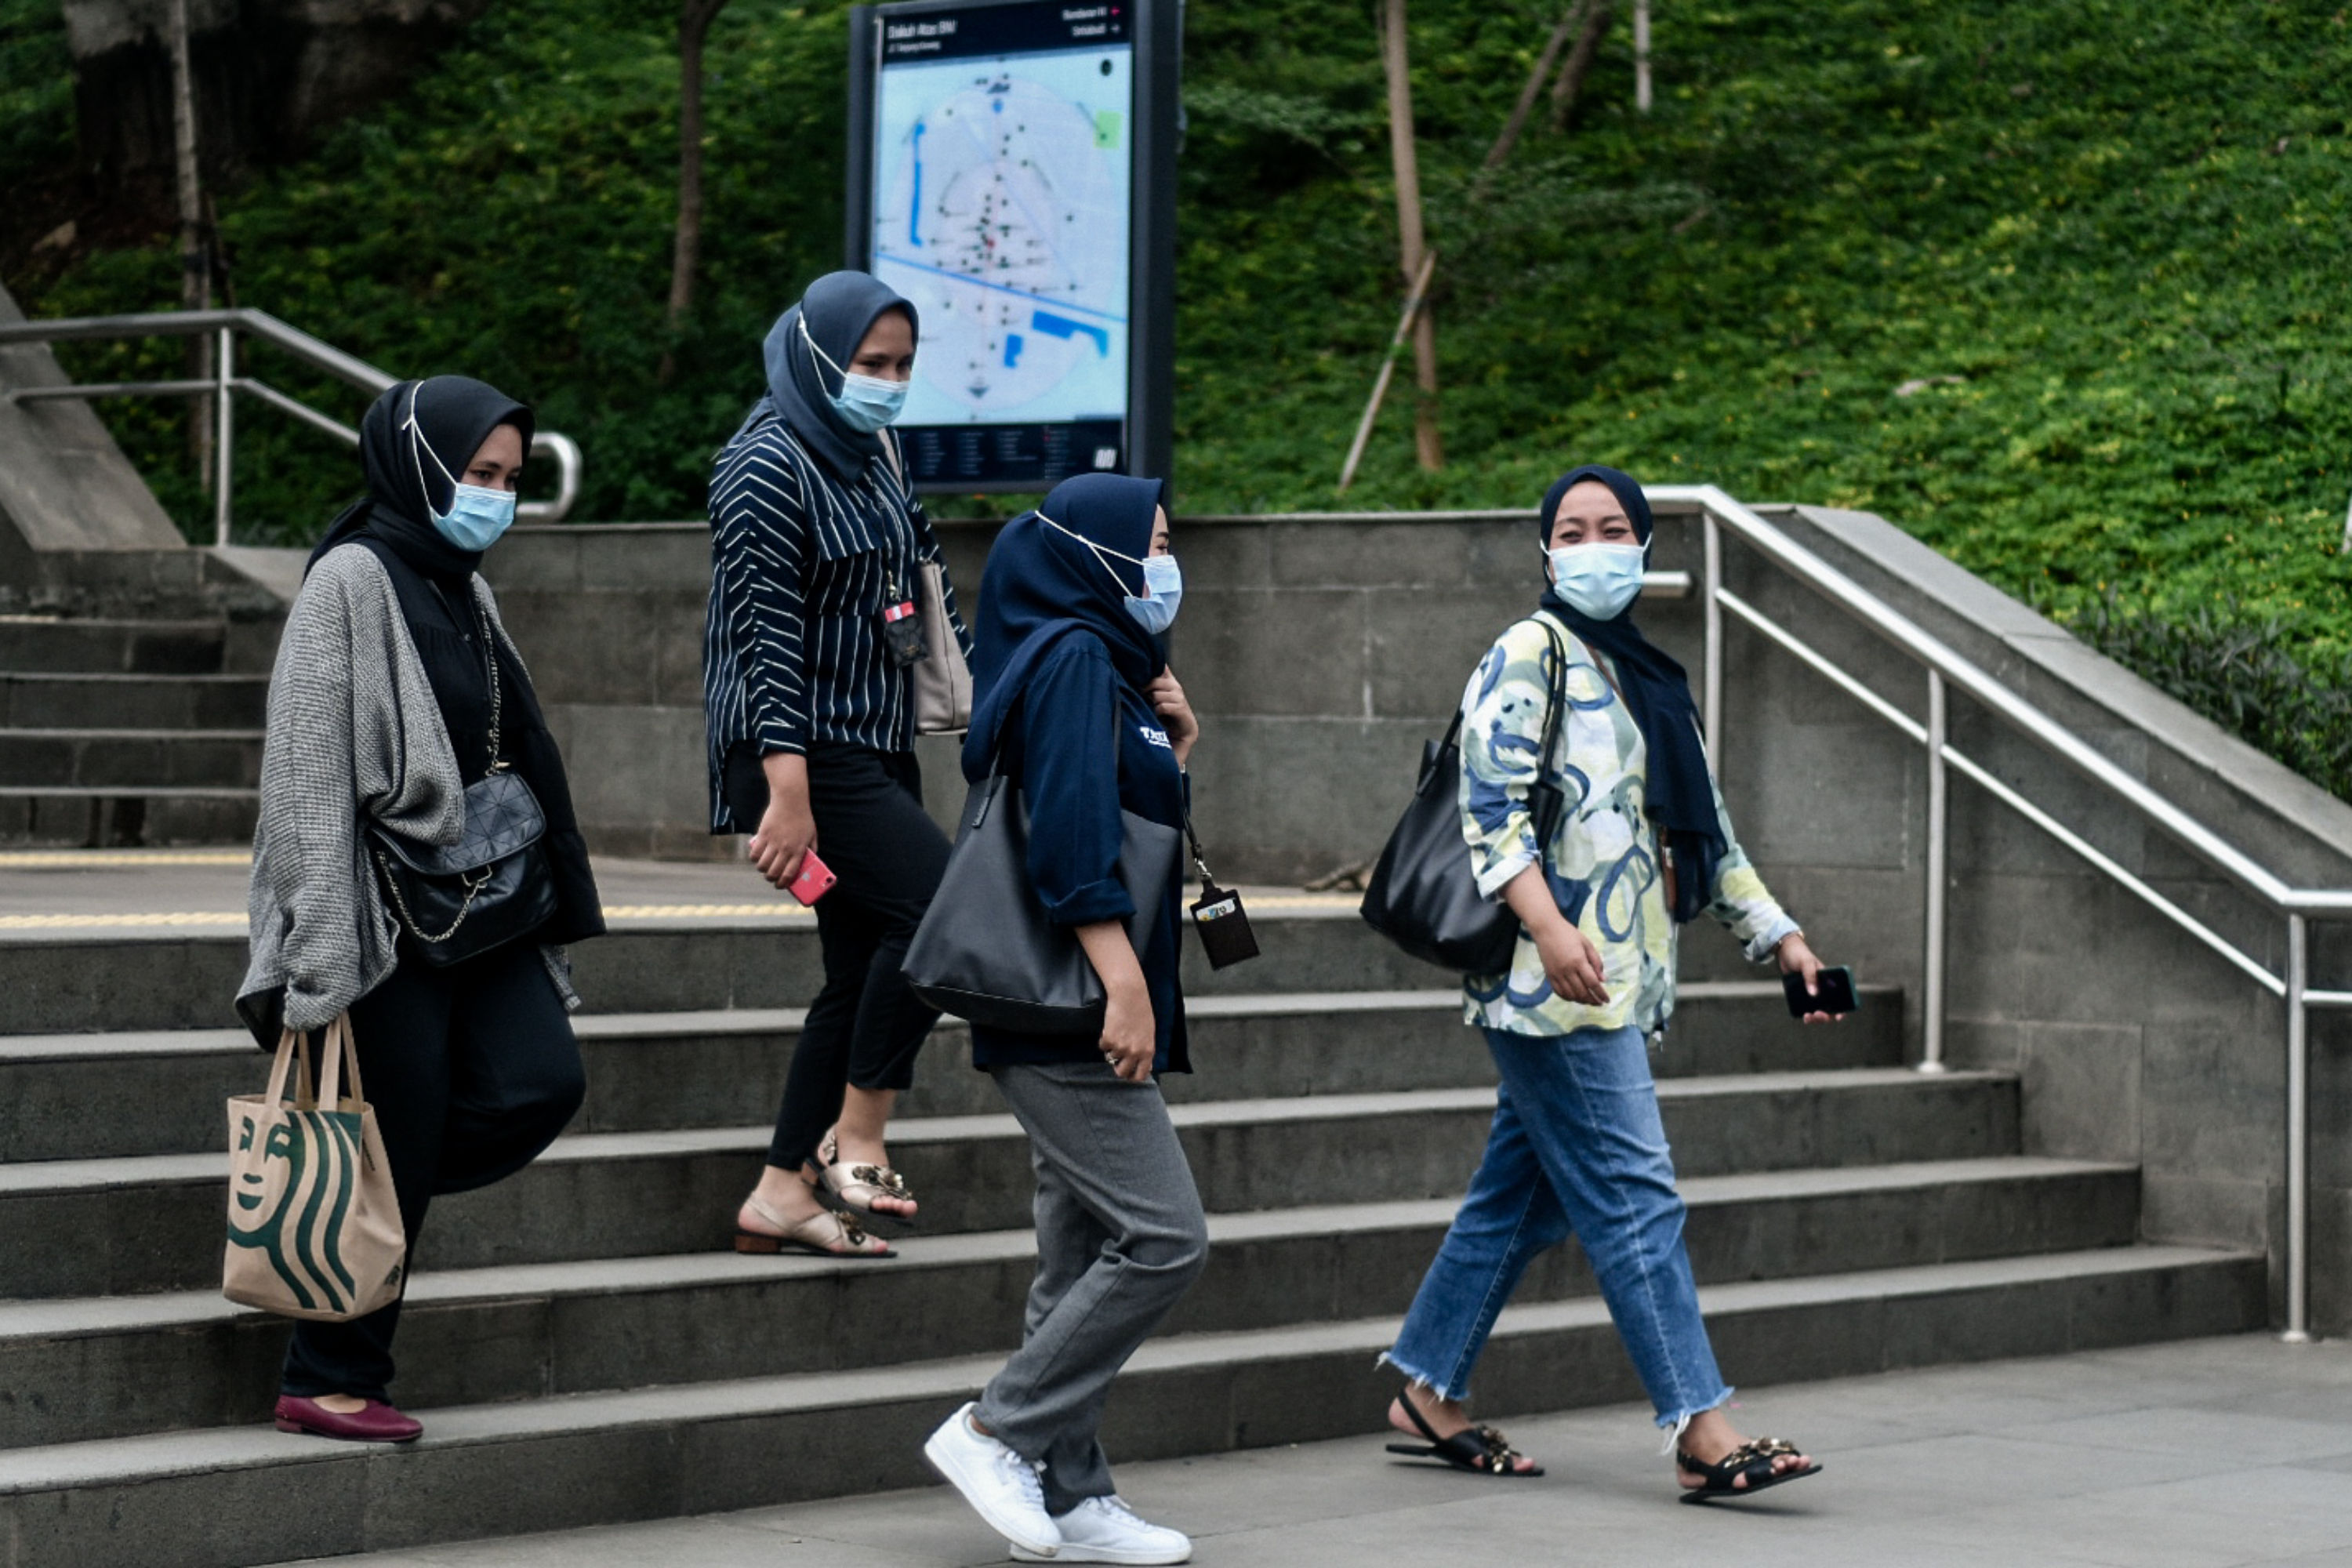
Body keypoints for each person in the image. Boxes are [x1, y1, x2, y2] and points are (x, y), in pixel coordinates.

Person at [1379, 464, 1835, 1501]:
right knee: (1636, 1198)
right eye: (1573, 530)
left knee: (1519, 1204)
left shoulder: (1651, 679)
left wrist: (1785, 939)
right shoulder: (1524, 654)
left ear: (1644, 547)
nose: (1594, 544)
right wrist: (1549, 928)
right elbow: (1485, 813)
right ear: (1546, 552)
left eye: (1615, 527)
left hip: (1624, 978)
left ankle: (1423, 1386)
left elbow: (1706, 837)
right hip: (1555, 986)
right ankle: (1702, 1427)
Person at [235, 376, 605, 1443]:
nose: (495, 495)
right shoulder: (350, 579)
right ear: (418, 462)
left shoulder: (465, 586)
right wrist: (314, 945)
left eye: (509, 479)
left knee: (538, 1084)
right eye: (478, 473)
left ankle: (362, 1206)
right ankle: (328, 1372)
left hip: (476, 899)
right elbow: (305, 774)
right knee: (389, 1120)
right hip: (376, 911)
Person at [920, 474, 1206, 1566]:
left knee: (1077, 1251)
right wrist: (1122, 983)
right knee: (1167, 1240)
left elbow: (1124, 812)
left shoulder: (1105, 665)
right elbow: (1071, 841)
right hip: (1071, 1006)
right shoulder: (1078, 659)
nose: (1166, 564)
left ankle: (1075, 1492)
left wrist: (1179, 750)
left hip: (1075, 1002)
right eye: (1154, 543)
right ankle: (996, 1428)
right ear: (1092, 554)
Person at [703, 270, 971, 1258]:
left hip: (874, 740)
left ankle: (779, 1190)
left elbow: (927, 589)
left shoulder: (876, 453)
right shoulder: (763, 466)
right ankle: (855, 1134)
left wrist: (986, 713)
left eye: (903, 365)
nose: (891, 382)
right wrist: (787, 793)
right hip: (803, 752)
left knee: (860, 967)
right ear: (819, 356)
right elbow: (765, 638)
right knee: (942, 916)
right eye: (871, 364)